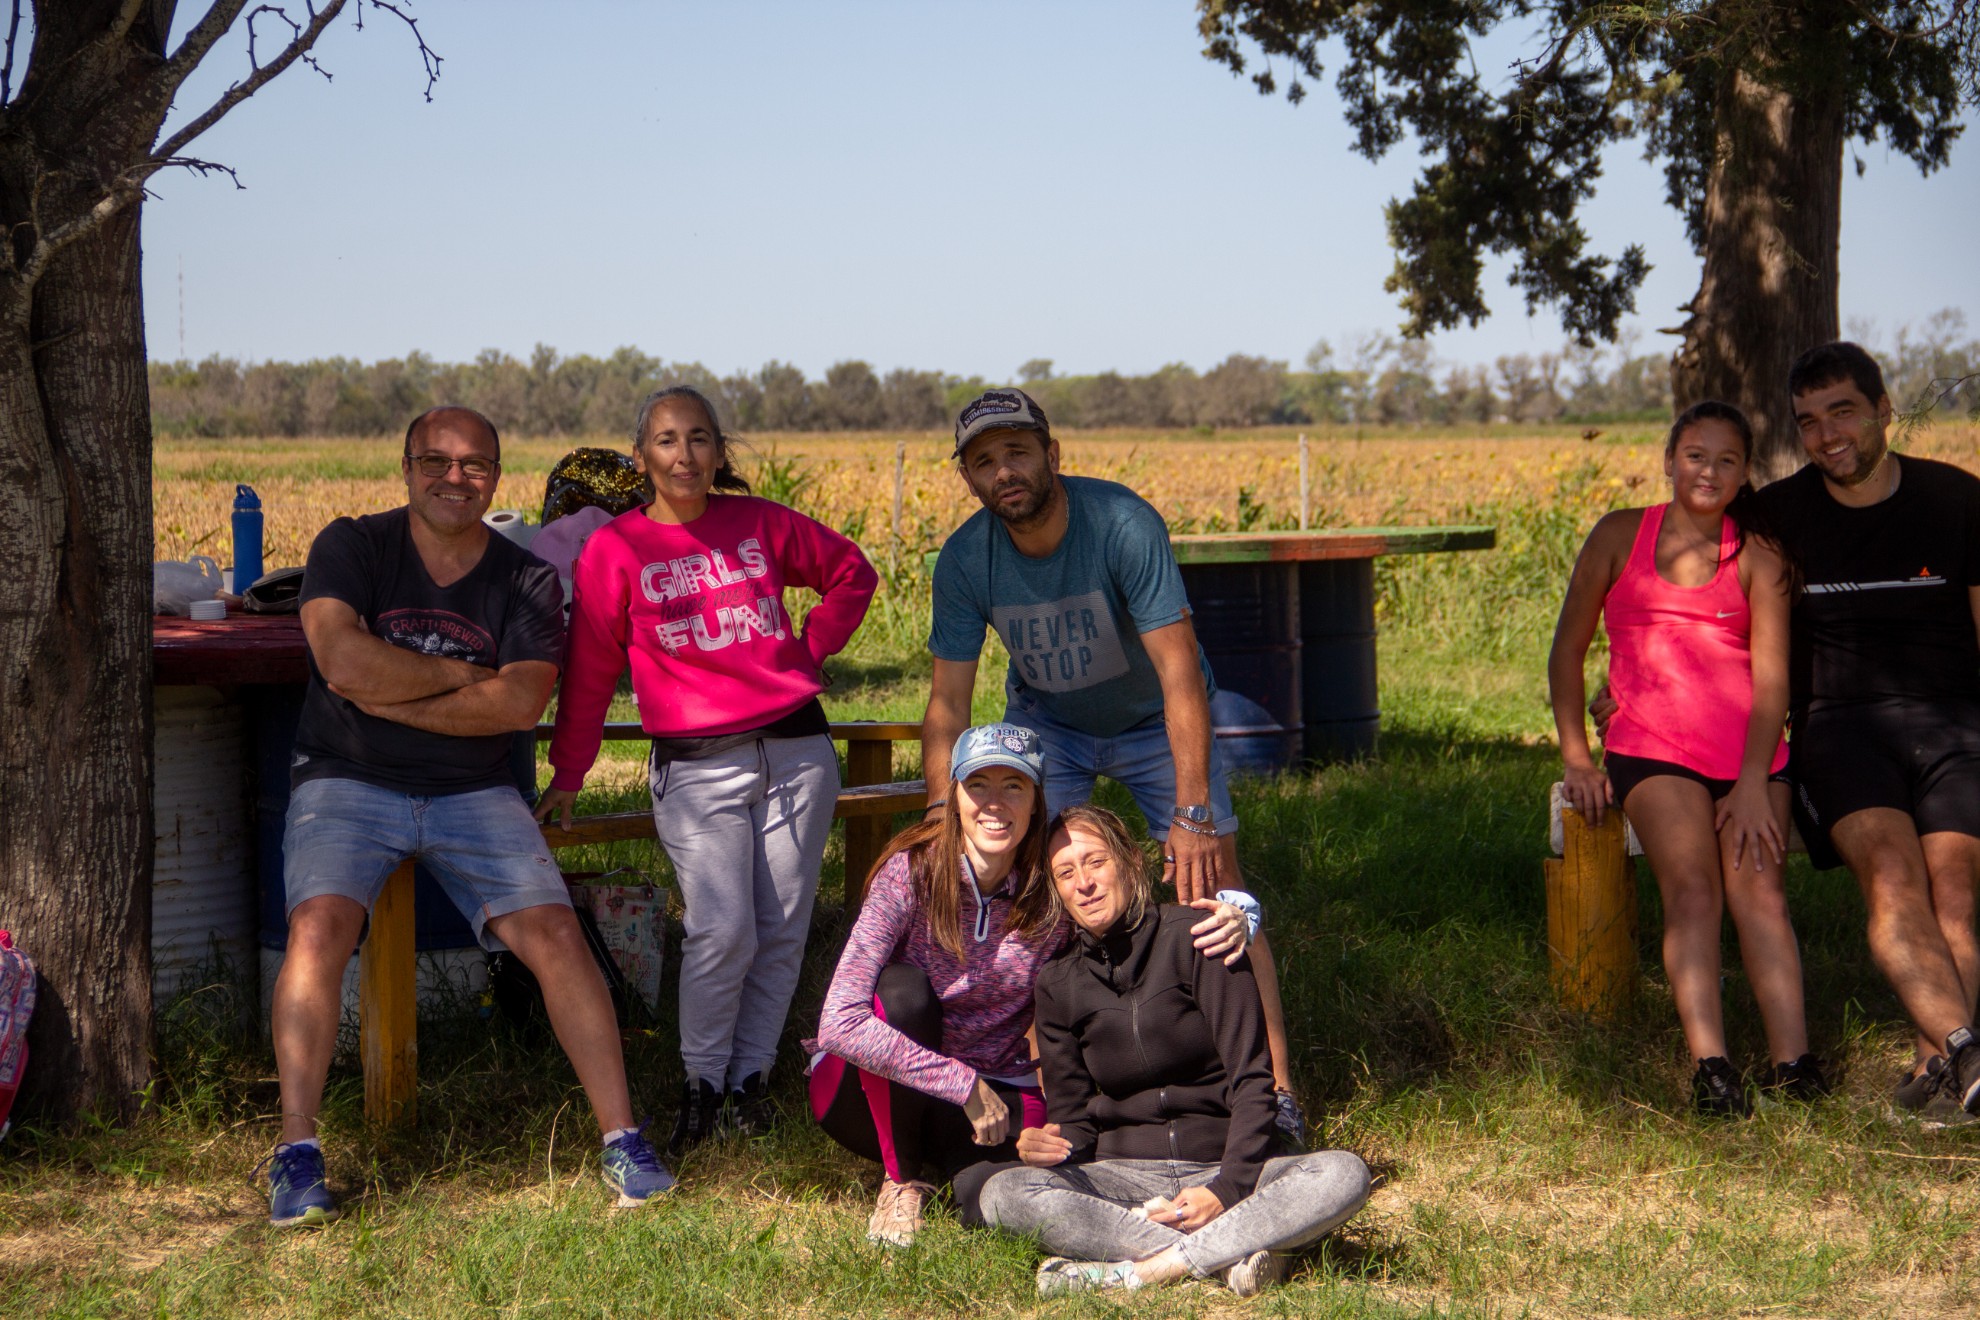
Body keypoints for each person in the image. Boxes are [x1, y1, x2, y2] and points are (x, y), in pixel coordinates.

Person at [263, 406, 673, 1227]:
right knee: (319, 928)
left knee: (556, 935)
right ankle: (296, 1153)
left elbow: (519, 702)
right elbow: (339, 659)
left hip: (476, 792)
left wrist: (389, 692)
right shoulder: (353, 544)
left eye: (475, 464)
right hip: (346, 778)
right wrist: (460, 679)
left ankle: (623, 1140)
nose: (456, 478)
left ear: (497, 474)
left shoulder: (525, 577)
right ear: (405, 465)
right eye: (436, 461)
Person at [1592, 343, 1980, 1122]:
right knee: (1896, 878)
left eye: (1842, 411)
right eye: (1808, 421)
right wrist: (1618, 688)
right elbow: (1694, 586)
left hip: (1953, 725)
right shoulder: (1779, 514)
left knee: (1959, 892)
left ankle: (1940, 1061)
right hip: (1841, 731)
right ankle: (1968, 1054)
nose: (1827, 434)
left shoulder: (1955, 499)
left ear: (1883, 411)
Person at [920, 387, 1300, 1134]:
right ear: (968, 477)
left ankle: (1276, 1088)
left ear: (1052, 454)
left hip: (1153, 720)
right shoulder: (965, 559)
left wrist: (1192, 813)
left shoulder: (1122, 523)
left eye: (1018, 452)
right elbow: (947, 706)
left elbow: (1180, 674)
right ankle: (1056, 1096)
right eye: (983, 461)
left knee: (1215, 894)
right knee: (1037, 894)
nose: (1004, 472)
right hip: (1048, 722)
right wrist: (941, 817)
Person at [538, 385, 877, 1151]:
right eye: (665, 440)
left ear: (719, 453)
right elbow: (590, 669)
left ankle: (749, 1081)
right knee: (722, 930)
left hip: (796, 751)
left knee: (781, 926)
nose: (683, 455)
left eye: (698, 439)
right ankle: (700, 1082)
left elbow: (851, 572)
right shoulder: (616, 550)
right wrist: (570, 770)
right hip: (698, 767)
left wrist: (809, 646)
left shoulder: (760, 524)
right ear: (641, 457)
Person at [807, 724, 1252, 1248]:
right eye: (979, 785)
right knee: (904, 992)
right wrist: (960, 1083)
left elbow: (1132, 923)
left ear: (1036, 802)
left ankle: (1173, 1228)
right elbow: (839, 1021)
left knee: (1002, 1186)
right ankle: (901, 1180)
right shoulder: (911, 874)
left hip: (995, 1099)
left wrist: (1242, 913)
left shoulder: (1049, 889)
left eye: (1013, 785)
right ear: (954, 798)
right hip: (868, 1093)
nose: (995, 803)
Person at [971, 805, 1370, 1298]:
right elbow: (1075, 1122)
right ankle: (1232, 1253)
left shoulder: (1200, 937)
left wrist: (1224, 1190)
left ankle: (1145, 1270)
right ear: (1056, 891)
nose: (1085, 884)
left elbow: (1252, 1082)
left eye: (1095, 862)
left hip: (1227, 1162)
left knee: (1341, 1173)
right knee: (1005, 1193)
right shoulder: (1058, 983)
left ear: (1129, 863)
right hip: (1128, 1177)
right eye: (1066, 873)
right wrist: (1047, 1146)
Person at [1549, 400, 1819, 1114]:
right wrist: (1579, 756)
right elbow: (1568, 650)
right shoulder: (1619, 535)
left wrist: (1757, 781)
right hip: (1653, 748)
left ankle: (1795, 1066)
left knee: (1760, 893)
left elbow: (1773, 682)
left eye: (1727, 460)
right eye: (1696, 455)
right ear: (1670, 460)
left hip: (1752, 755)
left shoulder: (1761, 555)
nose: (1709, 470)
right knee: (1694, 890)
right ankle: (1715, 1069)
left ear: (1745, 473)